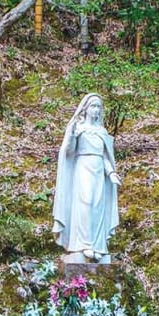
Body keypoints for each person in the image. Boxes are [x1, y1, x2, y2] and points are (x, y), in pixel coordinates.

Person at [52, 94, 121, 263]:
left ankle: (98, 246)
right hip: (83, 167)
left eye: (98, 107)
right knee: (86, 202)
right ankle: (84, 244)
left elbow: (104, 156)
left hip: (99, 171)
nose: (96, 110)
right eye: (93, 106)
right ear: (85, 108)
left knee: (98, 205)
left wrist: (111, 173)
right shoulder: (79, 128)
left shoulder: (102, 132)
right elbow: (69, 151)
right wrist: (71, 135)